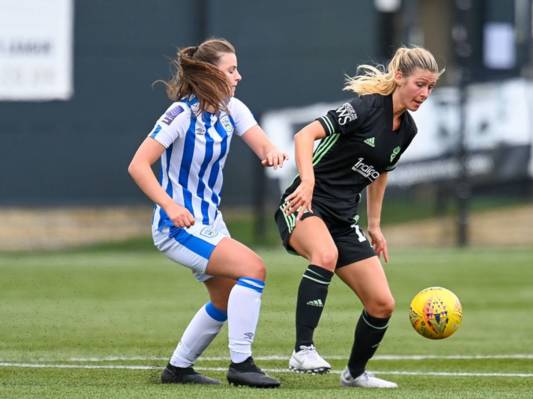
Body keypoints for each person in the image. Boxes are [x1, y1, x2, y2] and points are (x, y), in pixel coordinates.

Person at [274, 46, 442, 388]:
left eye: (431, 88)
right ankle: (302, 349)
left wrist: (375, 225)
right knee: (325, 254)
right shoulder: (365, 108)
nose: (424, 94)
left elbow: (381, 173)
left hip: (343, 218)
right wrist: (307, 182)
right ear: (399, 78)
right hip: (306, 204)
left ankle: (355, 374)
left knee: (382, 304)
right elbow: (304, 135)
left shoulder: (407, 130)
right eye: (420, 84)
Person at [128, 38, 286, 388]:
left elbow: (262, 143)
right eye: (231, 70)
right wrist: (169, 205)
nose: (238, 76)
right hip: (176, 226)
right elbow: (138, 165)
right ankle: (241, 364)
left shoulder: (233, 109)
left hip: (209, 222)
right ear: (212, 73)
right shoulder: (180, 115)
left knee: (225, 297)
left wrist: (272, 153)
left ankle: (178, 369)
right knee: (254, 268)